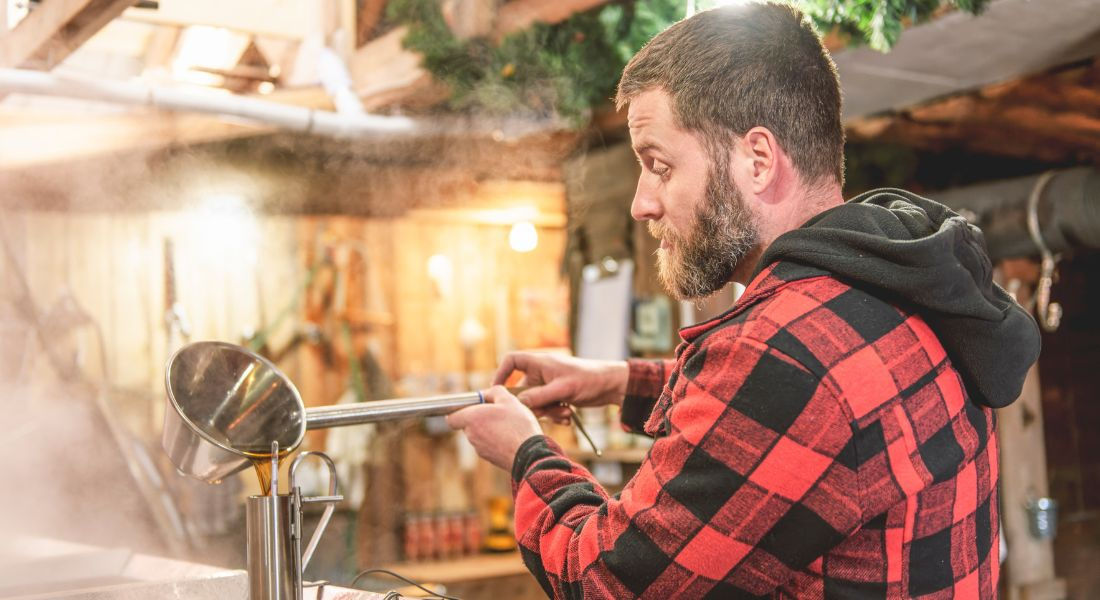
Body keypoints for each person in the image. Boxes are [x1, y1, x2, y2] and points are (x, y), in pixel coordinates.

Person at [446, 2, 1040, 598]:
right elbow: (800, 415)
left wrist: (526, 452)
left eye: (658, 165)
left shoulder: (784, 350)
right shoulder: (894, 281)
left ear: (757, 160)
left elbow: (606, 580)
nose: (642, 203)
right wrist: (618, 381)